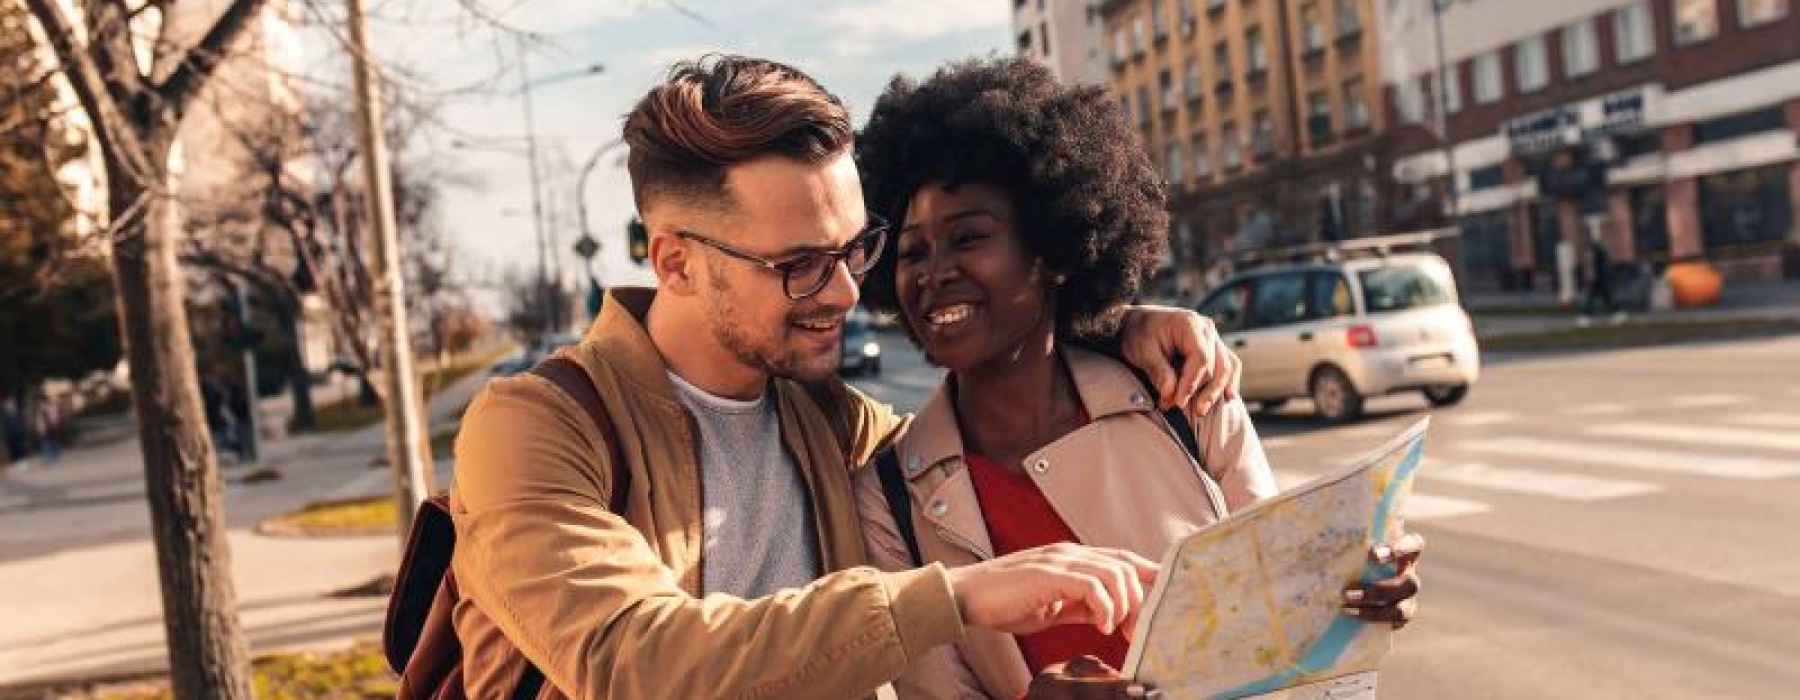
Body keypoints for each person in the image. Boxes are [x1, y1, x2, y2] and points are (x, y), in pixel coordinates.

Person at [448, 54, 1247, 700]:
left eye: (853, 250)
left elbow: (999, 390)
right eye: (798, 265)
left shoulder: (838, 426)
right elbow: (633, 660)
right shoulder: (536, 426)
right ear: (675, 263)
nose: (842, 292)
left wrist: (1111, 327)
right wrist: (955, 597)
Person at [851, 58, 1424, 699]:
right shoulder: (887, 494)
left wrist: (1353, 599)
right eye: (912, 253)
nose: (936, 272)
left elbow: (1282, 613)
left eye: (969, 238)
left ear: (1054, 251)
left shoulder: (1182, 391)